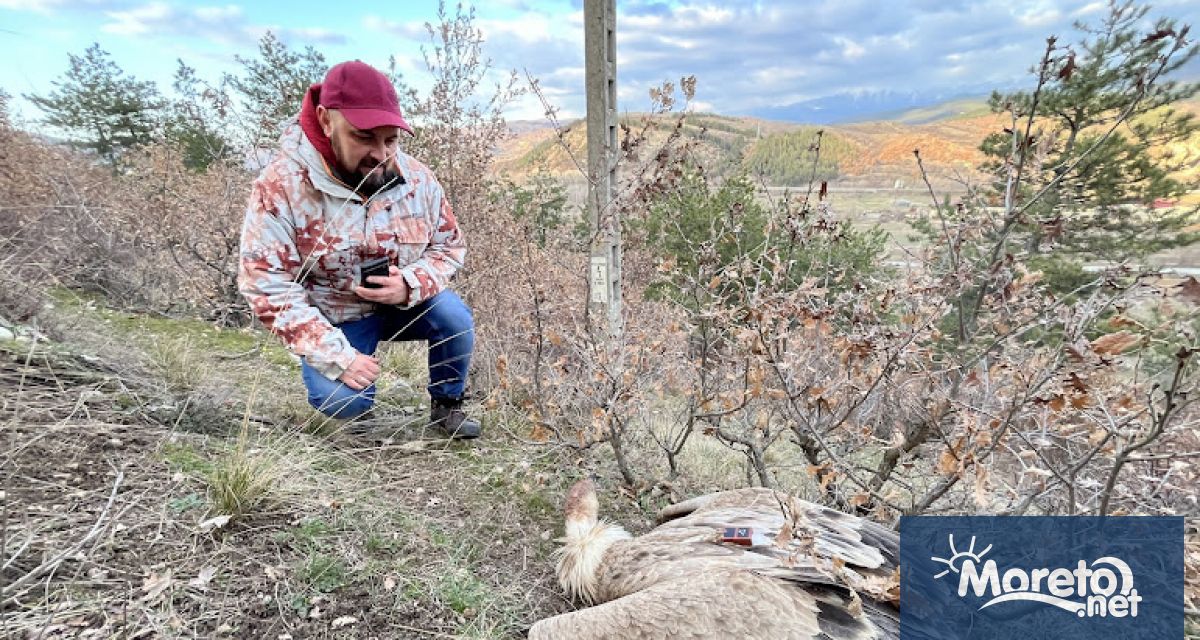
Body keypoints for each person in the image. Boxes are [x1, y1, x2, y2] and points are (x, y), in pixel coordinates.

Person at [238, 59, 480, 439]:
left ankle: (447, 407)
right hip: (336, 319)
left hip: (405, 307)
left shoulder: (418, 180)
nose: (381, 153)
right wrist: (339, 357)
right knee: (341, 401)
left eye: (391, 140)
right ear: (325, 120)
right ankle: (357, 403)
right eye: (364, 137)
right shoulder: (281, 187)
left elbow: (449, 246)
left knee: (454, 318)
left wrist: (411, 284)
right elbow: (265, 285)